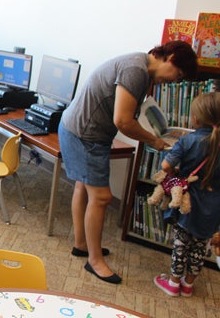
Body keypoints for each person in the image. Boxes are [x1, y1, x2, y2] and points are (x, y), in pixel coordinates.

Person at [58, 40, 199, 284]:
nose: (174, 81)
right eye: (178, 75)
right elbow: (123, 121)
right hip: (84, 134)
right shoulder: (136, 71)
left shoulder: (140, 68)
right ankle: (94, 261)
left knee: (84, 186)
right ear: (171, 58)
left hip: (80, 129)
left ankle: (82, 245)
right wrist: (154, 141)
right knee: (101, 197)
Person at [153, 92, 220, 297]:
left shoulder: (188, 140)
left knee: (182, 242)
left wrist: (175, 176)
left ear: (196, 119)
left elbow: (166, 165)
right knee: (200, 245)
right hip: (214, 204)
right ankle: (188, 285)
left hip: (188, 199)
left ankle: (173, 283)